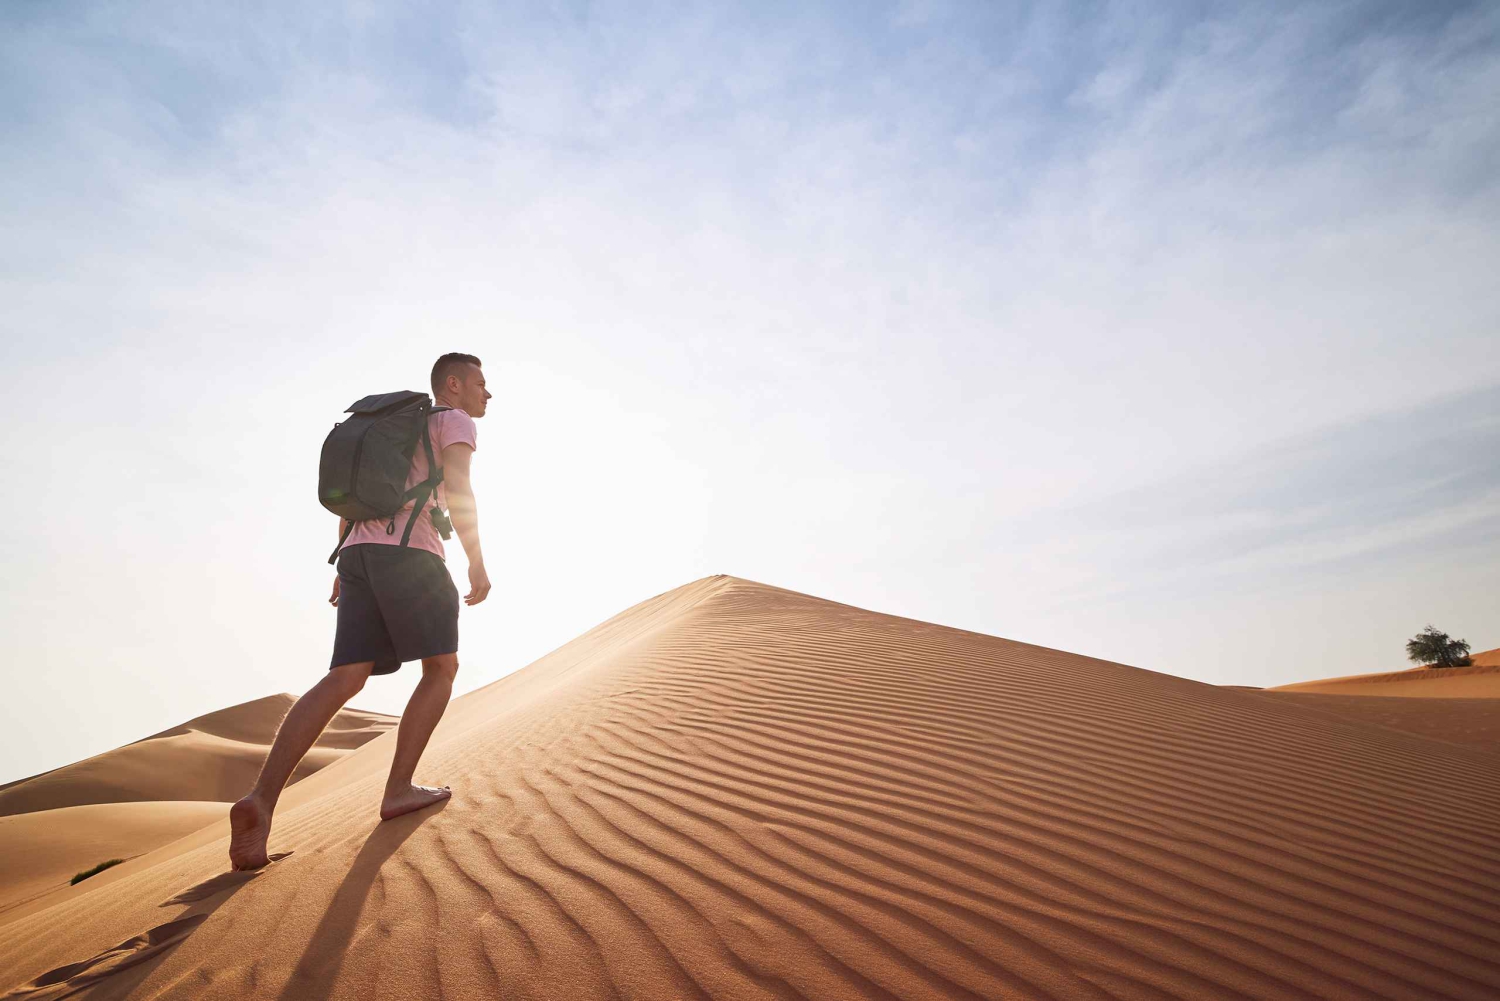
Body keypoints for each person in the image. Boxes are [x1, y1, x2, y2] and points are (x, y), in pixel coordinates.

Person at [229, 352, 493, 871]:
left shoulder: (396, 427)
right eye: (481, 383)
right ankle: (398, 788)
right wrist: (476, 561)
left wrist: (346, 560)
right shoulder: (452, 420)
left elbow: (353, 499)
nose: (488, 394)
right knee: (441, 668)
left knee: (345, 676)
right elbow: (460, 487)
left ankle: (261, 798)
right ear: (453, 384)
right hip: (412, 553)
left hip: (357, 555)